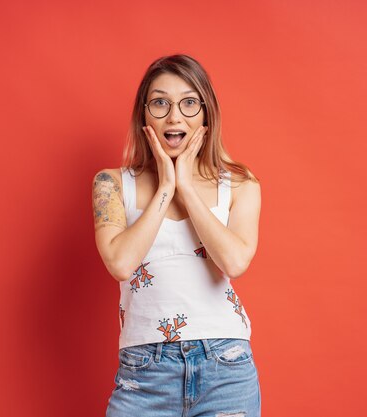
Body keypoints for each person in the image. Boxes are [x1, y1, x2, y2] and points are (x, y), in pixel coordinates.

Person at [92, 54, 262, 417]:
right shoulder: (111, 184)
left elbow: (233, 261)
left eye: (188, 102)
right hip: (144, 373)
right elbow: (121, 263)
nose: (174, 116)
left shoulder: (240, 184)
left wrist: (185, 183)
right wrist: (167, 184)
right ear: (143, 113)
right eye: (160, 102)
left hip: (226, 368)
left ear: (205, 112)